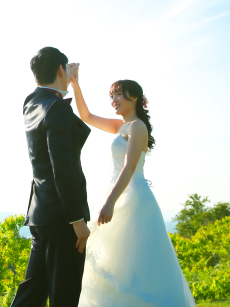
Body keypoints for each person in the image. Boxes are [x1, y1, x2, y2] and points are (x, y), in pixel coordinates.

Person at [69, 64, 196, 306]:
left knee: (135, 263)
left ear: (134, 97)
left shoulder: (138, 126)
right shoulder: (121, 127)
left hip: (133, 199)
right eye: (111, 96)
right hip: (116, 193)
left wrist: (109, 202)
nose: (113, 100)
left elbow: (128, 167)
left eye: (118, 94)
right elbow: (86, 116)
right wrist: (76, 84)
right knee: (114, 263)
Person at [11, 47, 92, 307]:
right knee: (64, 296)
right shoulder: (57, 107)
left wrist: (68, 78)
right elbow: (63, 167)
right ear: (60, 70)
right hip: (63, 219)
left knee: (32, 293)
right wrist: (76, 219)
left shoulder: (30, 102)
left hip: (40, 214)